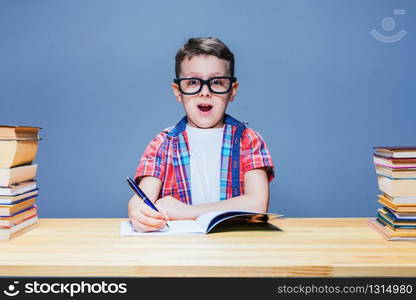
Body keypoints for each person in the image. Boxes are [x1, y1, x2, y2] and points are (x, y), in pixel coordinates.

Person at [128, 37, 275, 232]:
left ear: (232, 90)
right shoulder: (162, 144)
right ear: (178, 91)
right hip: (180, 252)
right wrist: (139, 214)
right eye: (192, 82)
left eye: (216, 82)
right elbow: (139, 201)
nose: (205, 92)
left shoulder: (247, 139)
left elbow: (257, 204)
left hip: (234, 248)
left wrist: (187, 211)